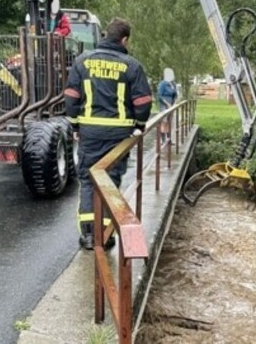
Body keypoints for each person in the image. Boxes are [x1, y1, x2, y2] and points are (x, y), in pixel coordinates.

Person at [64, 18, 152, 250]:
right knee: (110, 181)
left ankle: (89, 237)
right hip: (118, 134)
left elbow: (71, 98)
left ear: (104, 35)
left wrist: (75, 127)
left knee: (87, 181)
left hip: (89, 133)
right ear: (124, 40)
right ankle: (105, 235)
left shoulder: (82, 62)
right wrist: (140, 126)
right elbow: (143, 102)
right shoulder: (131, 65)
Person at [157, 68, 178, 144]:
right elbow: (159, 95)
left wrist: (175, 102)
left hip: (171, 105)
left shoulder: (173, 84)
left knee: (170, 122)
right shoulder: (162, 84)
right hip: (164, 105)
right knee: (164, 121)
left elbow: (175, 94)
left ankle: (169, 140)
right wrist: (167, 103)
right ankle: (163, 140)